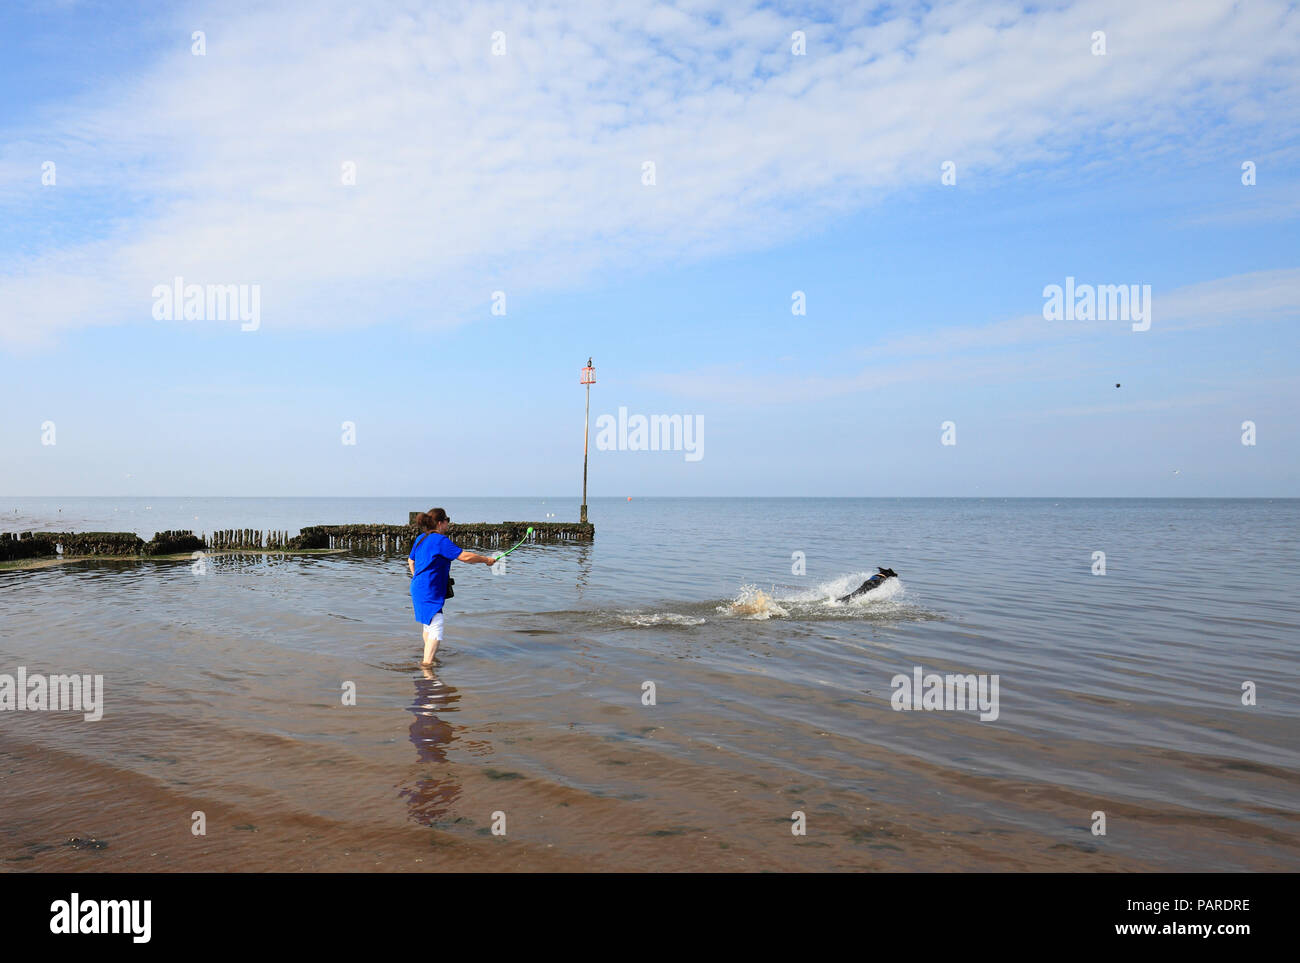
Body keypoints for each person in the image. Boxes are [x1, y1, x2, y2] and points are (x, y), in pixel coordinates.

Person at [408, 508, 497, 666]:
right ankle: (427, 667)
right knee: (437, 623)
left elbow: (411, 561)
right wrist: (486, 559)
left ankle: (430, 659)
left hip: (417, 587)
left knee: (428, 623)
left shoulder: (421, 538)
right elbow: (465, 557)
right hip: (429, 589)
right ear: (441, 523)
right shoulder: (440, 540)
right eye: (447, 521)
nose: (449, 524)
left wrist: (417, 578)